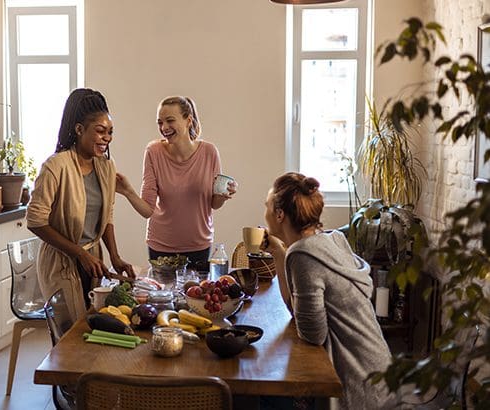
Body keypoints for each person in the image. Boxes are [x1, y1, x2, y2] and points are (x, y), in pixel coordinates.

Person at [261, 172, 393, 409]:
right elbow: (297, 310)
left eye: (267, 206)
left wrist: (288, 255)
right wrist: (279, 254)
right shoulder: (331, 240)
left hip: (356, 382)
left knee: (268, 391)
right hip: (379, 367)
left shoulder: (302, 255)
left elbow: (312, 333)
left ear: (279, 214)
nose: (265, 212)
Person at [26, 88, 135, 320]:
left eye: (110, 132)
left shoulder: (106, 166)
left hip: (93, 261)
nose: (107, 138)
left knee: (94, 325)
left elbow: (107, 216)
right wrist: (79, 254)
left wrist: (114, 256)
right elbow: (35, 221)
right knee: (71, 337)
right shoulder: (55, 167)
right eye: (100, 131)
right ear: (79, 130)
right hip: (60, 263)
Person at [115, 96, 236, 271]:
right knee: (163, 297)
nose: (164, 128)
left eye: (170, 120)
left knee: (196, 296)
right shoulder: (153, 152)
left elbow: (214, 204)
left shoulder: (210, 152)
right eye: (160, 122)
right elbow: (147, 210)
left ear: (188, 121)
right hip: (161, 247)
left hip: (199, 245)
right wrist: (127, 191)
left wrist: (223, 196)